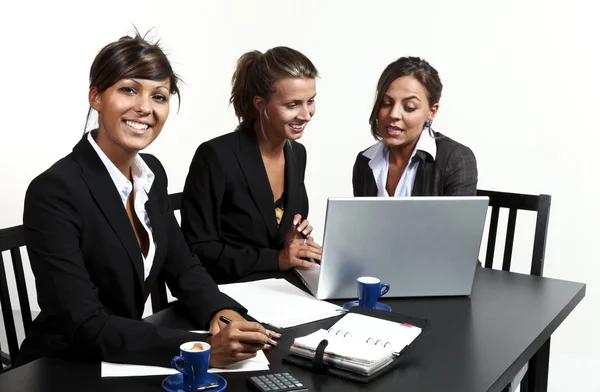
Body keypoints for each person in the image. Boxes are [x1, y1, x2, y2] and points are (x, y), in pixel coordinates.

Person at [16, 33, 277, 368]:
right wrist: (198, 349)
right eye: (128, 89)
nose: (144, 107)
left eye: (159, 96)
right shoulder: (54, 190)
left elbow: (182, 265)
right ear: (96, 96)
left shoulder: (151, 173)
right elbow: (81, 323)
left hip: (124, 354)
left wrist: (221, 310)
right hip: (62, 365)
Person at [181, 47, 322, 283]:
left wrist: (291, 243)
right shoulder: (216, 156)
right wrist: (276, 258)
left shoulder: (297, 154)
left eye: (311, 101)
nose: (306, 114)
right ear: (260, 104)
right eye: (292, 104)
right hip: (229, 294)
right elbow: (196, 249)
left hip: (282, 289)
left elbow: (271, 235)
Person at [352, 56, 477, 197]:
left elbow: (459, 219)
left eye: (409, 107)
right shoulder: (365, 161)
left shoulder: (455, 159)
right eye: (386, 103)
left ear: (432, 111)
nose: (394, 114)